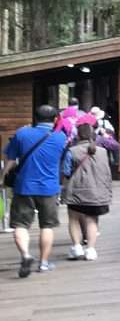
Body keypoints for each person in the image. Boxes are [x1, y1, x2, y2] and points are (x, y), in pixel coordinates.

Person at [0, 105, 72, 277]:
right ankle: (44, 264)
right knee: (47, 226)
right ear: (55, 119)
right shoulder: (60, 137)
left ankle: (25, 255)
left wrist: (2, 178)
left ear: (35, 118)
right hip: (49, 188)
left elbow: (10, 159)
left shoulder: (22, 134)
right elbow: (64, 162)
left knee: (20, 225)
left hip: (24, 187)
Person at [63, 123, 112, 262]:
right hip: (97, 191)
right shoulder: (103, 151)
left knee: (73, 219)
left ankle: (77, 247)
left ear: (78, 135)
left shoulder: (72, 151)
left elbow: (66, 172)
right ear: (93, 135)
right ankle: (90, 249)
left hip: (77, 191)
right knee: (92, 220)